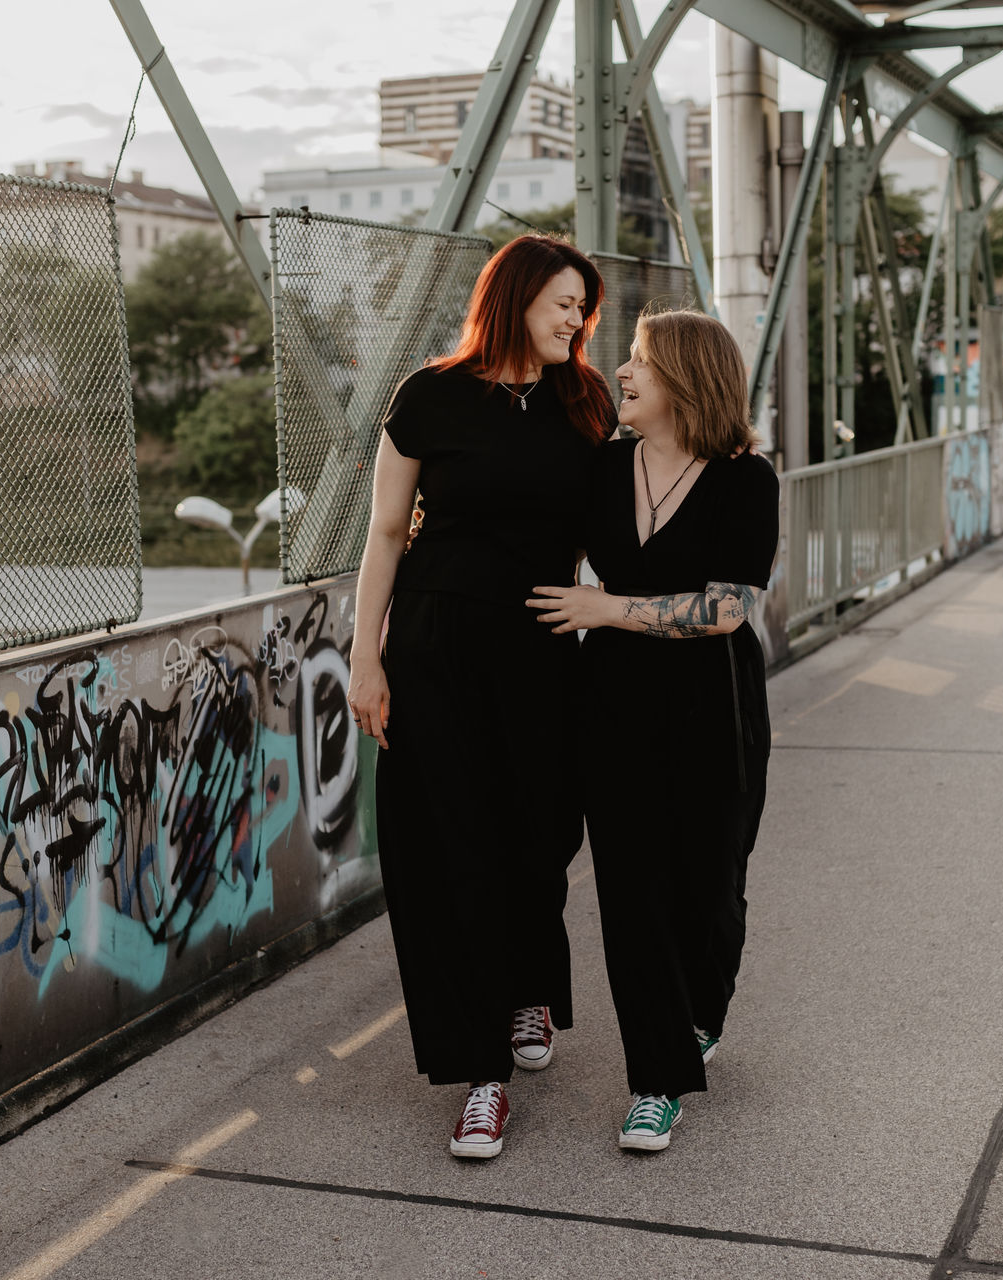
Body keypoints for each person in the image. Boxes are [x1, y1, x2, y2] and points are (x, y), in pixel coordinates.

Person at [347, 236, 616, 1160]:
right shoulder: (428, 395)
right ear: (514, 296)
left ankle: (529, 987)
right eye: (564, 302)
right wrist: (364, 660)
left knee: (539, 835)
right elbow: (386, 534)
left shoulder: (584, 400)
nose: (577, 319)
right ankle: (480, 1075)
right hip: (434, 646)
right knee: (450, 847)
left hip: (540, 650)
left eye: (585, 306)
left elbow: (616, 526)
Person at [527, 309, 778, 1153]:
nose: (621, 372)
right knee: (633, 892)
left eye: (638, 360)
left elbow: (726, 609)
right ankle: (657, 1079)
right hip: (615, 703)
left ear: (683, 377)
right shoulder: (604, 467)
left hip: (716, 706)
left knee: (711, 890)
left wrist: (608, 608)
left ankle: (701, 1013)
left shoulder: (748, 479)